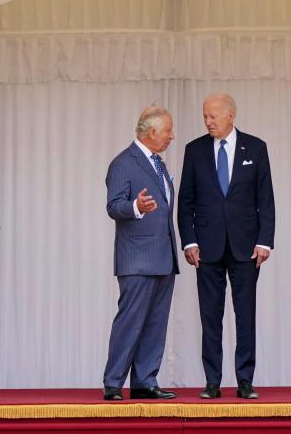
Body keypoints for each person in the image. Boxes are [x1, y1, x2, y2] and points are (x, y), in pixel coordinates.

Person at [178, 93, 275, 400]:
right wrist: (189, 241)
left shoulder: (256, 148)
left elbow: (266, 200)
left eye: (214, 116)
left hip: (246, 247)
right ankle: (212, 382)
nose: (208, 122)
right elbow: (185, 202)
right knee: (210, 317)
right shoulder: (194, 150)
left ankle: (245, 380)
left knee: (246, 315)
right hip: (206, 249)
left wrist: (265, 242)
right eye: (205, 116)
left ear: (231, 115)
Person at [102, 107, 180, 401]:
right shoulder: (123, 163)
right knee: (130, 321)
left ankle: (145, 381)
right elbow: (113, 206)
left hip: (163, 257)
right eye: (168, 131)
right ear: (152, 133)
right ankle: (113, 382)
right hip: (136, 259)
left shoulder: (158, 163)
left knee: (156, 323)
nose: (172, 136)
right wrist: (136, 207)